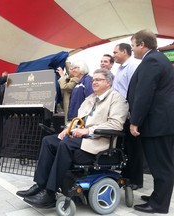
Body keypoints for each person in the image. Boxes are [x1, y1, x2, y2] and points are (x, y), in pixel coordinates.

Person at [16, 68, 129, 208]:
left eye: (98, 80)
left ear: (108, 82)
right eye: (93, 80)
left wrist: (88, 130)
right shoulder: (90, 98)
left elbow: (116, 124)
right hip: (82, 137)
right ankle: (40, 185)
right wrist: (67, 129)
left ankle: (50, 194)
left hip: (99, 141)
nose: (94, 82)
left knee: (66, 144)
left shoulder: (117, 99)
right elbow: (77, 119)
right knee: (49, 140)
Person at [128, 29, 174, 214]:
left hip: (157, 123)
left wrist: (135, 121)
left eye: (133, 46)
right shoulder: (156, 58)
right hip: (160, 122)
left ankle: (159, 205)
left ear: (142, 45)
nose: (132, 50)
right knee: (161, 163)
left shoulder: (152, 60)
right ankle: (158, 197)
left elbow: (144, 93)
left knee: (161, 164)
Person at [112, 43, 143, 190]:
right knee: (125, 147)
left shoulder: (133, 66)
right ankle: (126, 176)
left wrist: (133, 115)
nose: (113, 55)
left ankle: (136, 180)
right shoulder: (119, 68)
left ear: (125, 52)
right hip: (121, 112)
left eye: (115, 52)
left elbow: (137, 91)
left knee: (134, 148)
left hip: (131, 113)